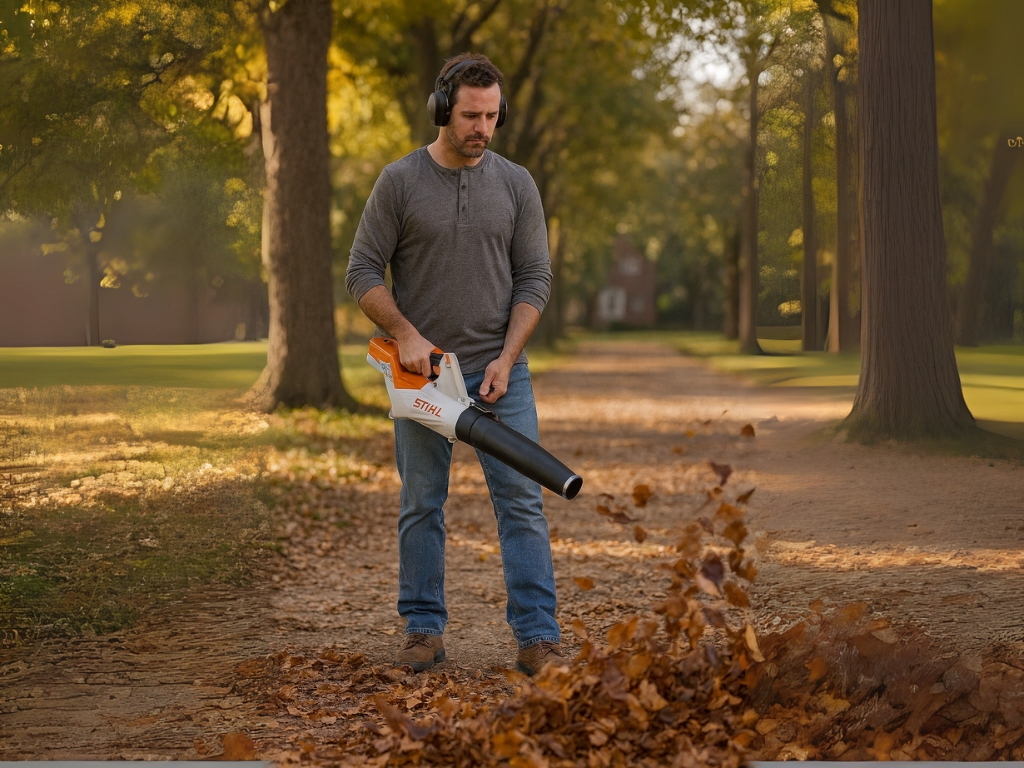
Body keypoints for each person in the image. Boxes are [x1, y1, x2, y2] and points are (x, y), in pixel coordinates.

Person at [345, 53, 564, 676]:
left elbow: (535, 278)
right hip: (424, 376)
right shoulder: (400, 181)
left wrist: (507, 357)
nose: (483, 129)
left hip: (501, 374)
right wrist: (406, 334)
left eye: (492, 116)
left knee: (522, 502)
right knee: (421, 502)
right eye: (471, 115)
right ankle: (422, 630)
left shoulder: (518, 183)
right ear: (443, 109)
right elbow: (362, 270)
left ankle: (537, 638)